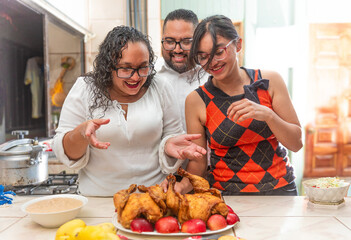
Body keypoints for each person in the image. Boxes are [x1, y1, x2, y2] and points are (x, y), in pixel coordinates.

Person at [52, 26, 206, 197]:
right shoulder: (85, 88)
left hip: (153, 198)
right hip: (97, 200)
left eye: (143, 67)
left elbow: (172, 136)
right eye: (125, 68)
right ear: (108, 66)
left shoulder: (160, 87)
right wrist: (80, 134)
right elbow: (64, 152)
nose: (135, 77)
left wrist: (168, 145)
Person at [183, 15, 303, 195]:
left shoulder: (270, 82)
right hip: (227, 196)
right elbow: (199, 164)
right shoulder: (196, 100)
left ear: (238, 45)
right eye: (203, 57)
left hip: (280, 191)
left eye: (219, 52)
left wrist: (268, 115)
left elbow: (296, 143)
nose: (212, 62)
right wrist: (178, 186)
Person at [155, 9, 209, 131]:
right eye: (169, 41)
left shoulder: (211, 76)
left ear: (197, 41)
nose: (177, 49)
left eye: (186, 42)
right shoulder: (149, 75)